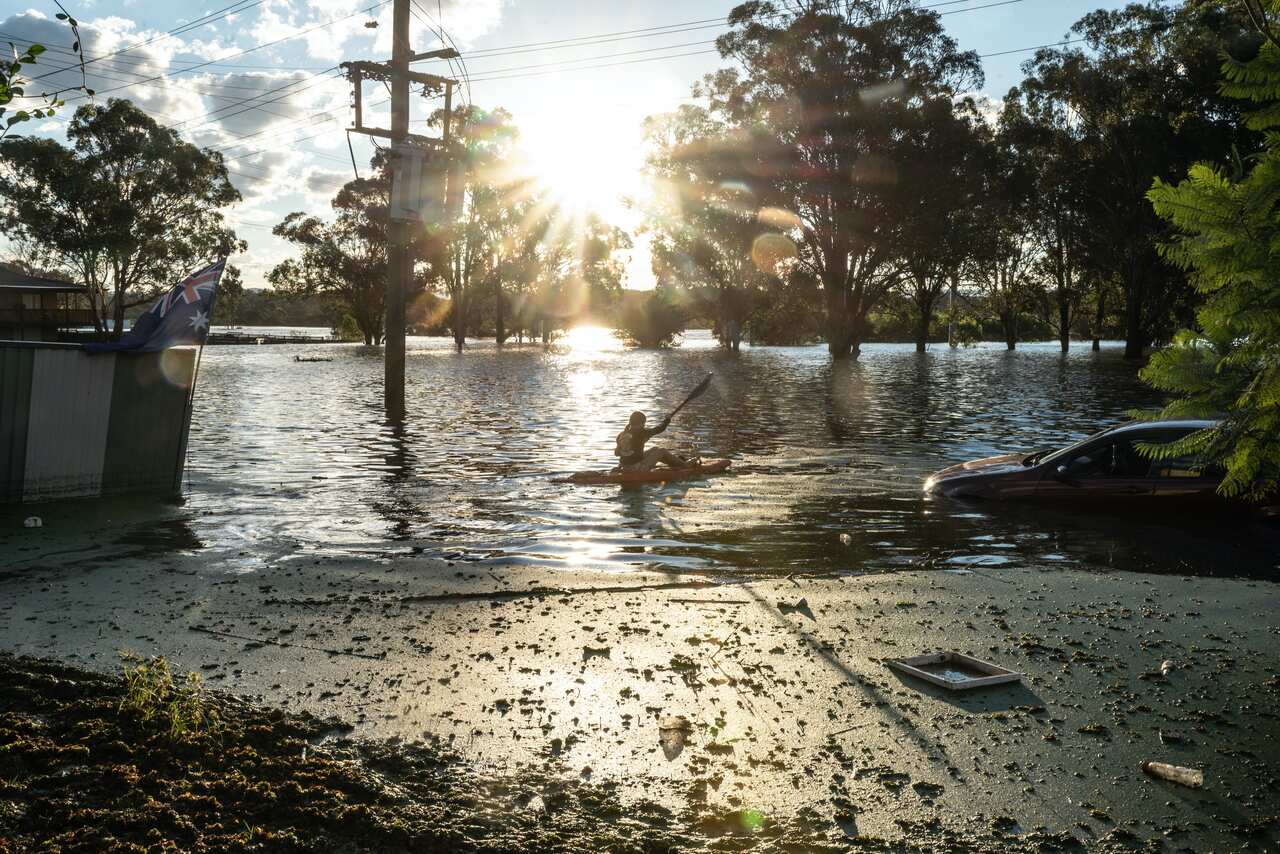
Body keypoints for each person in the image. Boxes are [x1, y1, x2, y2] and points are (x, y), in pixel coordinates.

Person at [613, 411, 698, 472]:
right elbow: (659, 429)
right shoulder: (642, 432)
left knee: (655, 449)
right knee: (661, 451)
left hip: (623, 466)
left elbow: (616, 453)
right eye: (644, 423)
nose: (644, 425)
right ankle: (685, 465)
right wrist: (667, 420)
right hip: (637, 469)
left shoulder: (622, 434)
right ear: (641, 423)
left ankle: (676, 463)